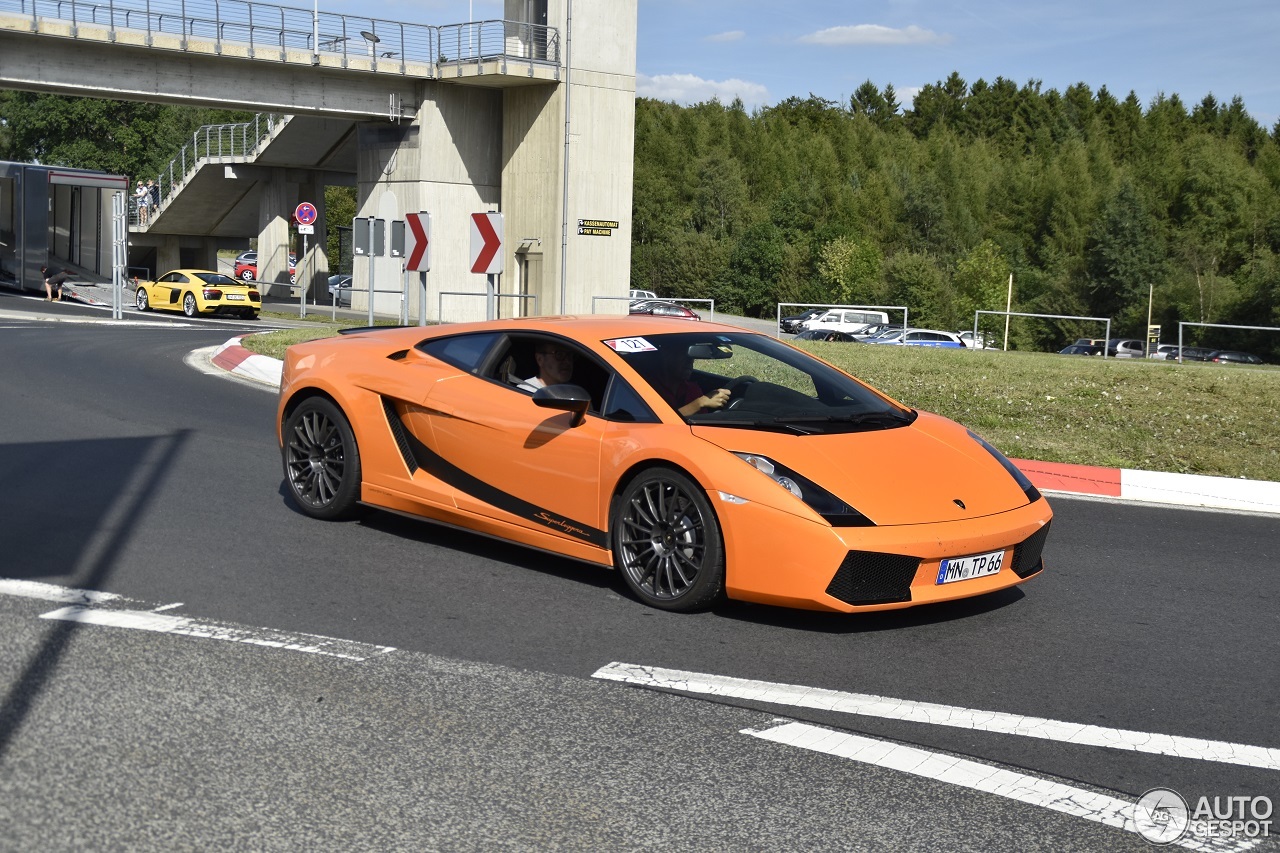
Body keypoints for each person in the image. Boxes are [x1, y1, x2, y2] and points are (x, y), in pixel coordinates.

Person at [654, 346, 730, 417]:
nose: (690, 362)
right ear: (667, 357)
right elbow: (661, 421)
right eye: (684, 356)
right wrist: (699, 403)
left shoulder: (692, 389)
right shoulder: (649, 390)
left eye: (691, 357)